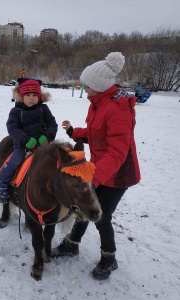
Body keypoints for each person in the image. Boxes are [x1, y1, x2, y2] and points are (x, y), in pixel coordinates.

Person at [52, 52, 141, 280]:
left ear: (100, 86)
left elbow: (117, 151)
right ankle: (72, 244)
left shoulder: (117, 109)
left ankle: (109, 259)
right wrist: (74, 132)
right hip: (99, 168)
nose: (85, 89)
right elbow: (96, 133)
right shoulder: (98, 103)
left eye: (88, 86)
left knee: (100, 215)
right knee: (83, 205)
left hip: (119, 173)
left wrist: (95, 177)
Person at [0, 77, 58, 203]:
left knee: (55, 162)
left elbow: (52, 124)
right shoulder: (16, 111)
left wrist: (46, 137)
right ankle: (2, 183)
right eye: (28, 95)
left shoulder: (43, 109)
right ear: (21, 96)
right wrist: (25, 139)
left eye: (35, 95)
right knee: (14, 161)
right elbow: (12, 128)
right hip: (22, 145)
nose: (31, 98)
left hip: (42, 144)